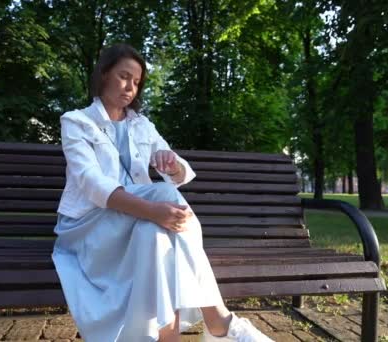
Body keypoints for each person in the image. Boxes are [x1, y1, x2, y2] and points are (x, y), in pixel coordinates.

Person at [51, 43, 275, 342]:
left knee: (155, 236)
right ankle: (220, 321)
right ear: (104, 74)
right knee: (165, 198)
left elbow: (178, 165)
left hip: (134, 228)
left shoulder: (141, 125)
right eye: (123, 76)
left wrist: (172, 166)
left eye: (136, 81)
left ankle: (169, 338)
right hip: (89, 228)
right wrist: (154, 210)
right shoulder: (77, 121)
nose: (130, 86)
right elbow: (92, 183)